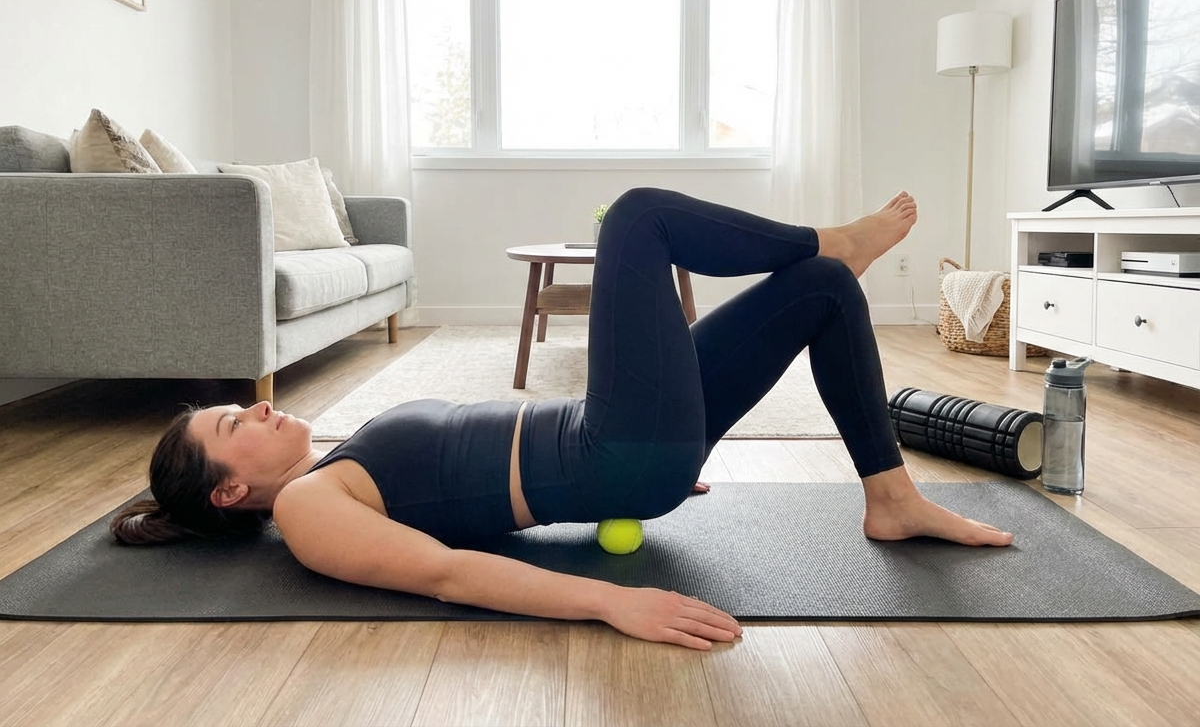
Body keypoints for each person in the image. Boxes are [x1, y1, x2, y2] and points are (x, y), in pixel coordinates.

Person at [112, 187, 1012, 650]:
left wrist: (650, 453)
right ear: (232, 491)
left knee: (816, 292)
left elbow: (470, 492)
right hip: (616, 449)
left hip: (621, 439)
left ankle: (889, 496)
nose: (261, 406)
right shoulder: (307, 513)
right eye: (238, 424)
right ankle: (834, 239)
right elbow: (450, 574)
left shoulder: (330, 471)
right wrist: (609, 604)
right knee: (637, 219)